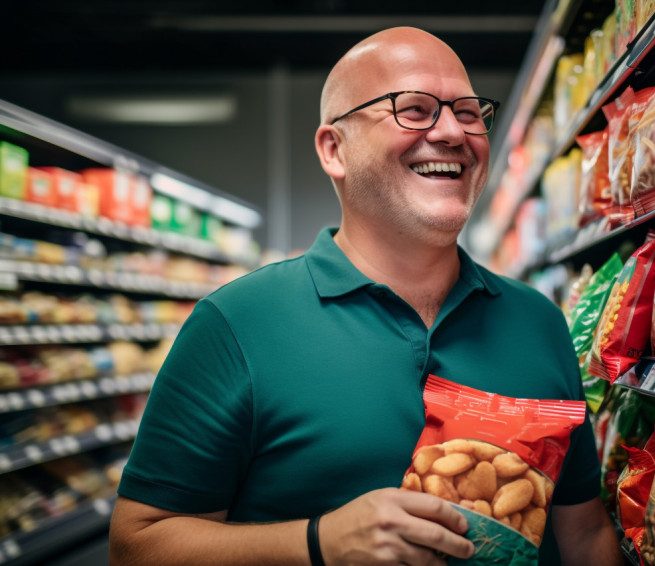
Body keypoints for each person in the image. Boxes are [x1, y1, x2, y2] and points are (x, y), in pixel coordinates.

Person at [109, 26, 623, 566]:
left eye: (469, 112)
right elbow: (137, 544)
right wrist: (317, 542)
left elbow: (585, 534)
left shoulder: (538, 321)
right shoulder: (237, 323)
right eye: (416, 109)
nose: (452, 131)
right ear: (335, 149)